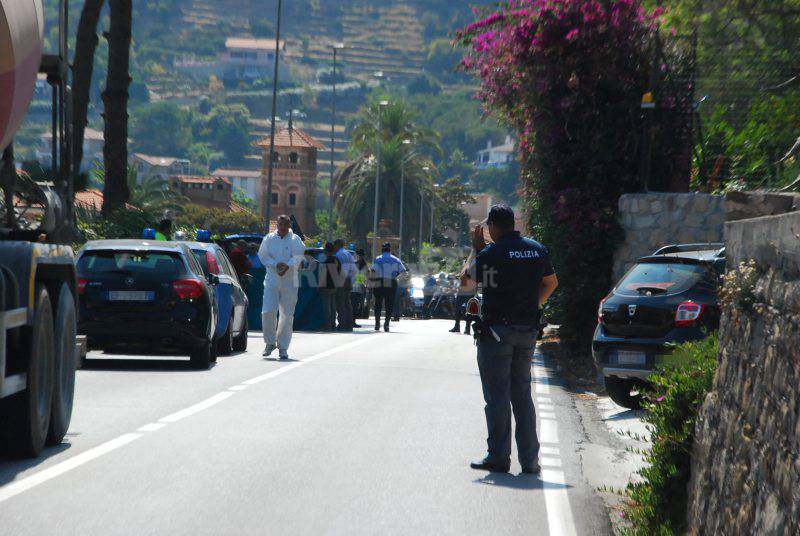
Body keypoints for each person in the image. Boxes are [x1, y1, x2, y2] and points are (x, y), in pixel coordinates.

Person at [468, 204, 558, 475]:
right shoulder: (535, 248)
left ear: (493, 226)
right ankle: (530, 461)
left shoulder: (492, 252)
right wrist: (533, 307)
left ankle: (498, 456)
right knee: (522, 395)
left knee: (497, 396)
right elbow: (551, 283)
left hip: (497, 332)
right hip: (527, 330)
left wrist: (476, 248)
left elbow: (468, 280)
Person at [257, 214, 307, 360]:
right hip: (272, 279)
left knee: (287, 315)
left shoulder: (295, 239)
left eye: (286, 225)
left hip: (290, 281)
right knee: (268, 311)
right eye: (281, 225)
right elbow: (263, 255)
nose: (283, 228)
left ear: (289, 225)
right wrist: (275, 264)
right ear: (277, 225)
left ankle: (283, 347)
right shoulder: (269, 238)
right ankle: (270, 342)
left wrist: (288, 265)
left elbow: (298, 255)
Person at [370, 242, 406, 332]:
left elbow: (373, 270)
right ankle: (386, 324)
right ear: (390, 249)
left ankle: (377, 324)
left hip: (380, 282)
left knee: (378, 303)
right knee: (389, 304)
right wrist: (396, 278)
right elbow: (404, 272)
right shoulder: (396, 259)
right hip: (391, 282)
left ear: (382, 249)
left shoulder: (378, 259)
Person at [450, 255, 477, 335]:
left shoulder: (475, 262)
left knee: (469, 309)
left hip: (470, 289)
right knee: (457, 306)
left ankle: (467, 328)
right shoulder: (465, 263)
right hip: (462, 288)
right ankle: (457, 326)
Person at [317, 242, 340, 331]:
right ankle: (333, 325)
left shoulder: (326, 261)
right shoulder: (336, 260)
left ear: (326, 250)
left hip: (326, 287)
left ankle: (328, 326)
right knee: (333, 307)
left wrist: (319, 286)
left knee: (327, 308)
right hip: (334, 285)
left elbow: (323, 275)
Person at [333, 239, 355, 331]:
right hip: (348, 279)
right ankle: (349, 324)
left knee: (340, 303)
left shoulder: (338, 255)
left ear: (337, 245)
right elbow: (354, 269)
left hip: (341, 279)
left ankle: (342, 324)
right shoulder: (349, 254)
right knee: (347, 303)